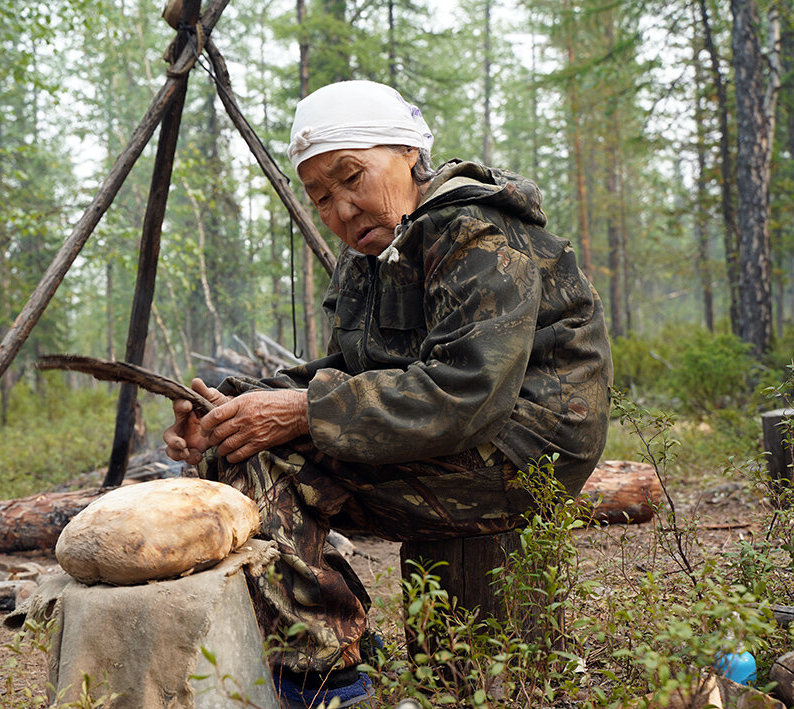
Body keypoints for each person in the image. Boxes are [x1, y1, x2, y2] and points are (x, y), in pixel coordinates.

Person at [163, 80, 612, 708]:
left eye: (352, 178)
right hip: (458, 437)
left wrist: (301, 413)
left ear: (407, 154)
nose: (342, 210)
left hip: (523, 448)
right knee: (236, 449)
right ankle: (338, 654)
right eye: (321, 196)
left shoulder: (473, 233)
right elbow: (353, 368)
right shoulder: (372, 256)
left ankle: (329, 679)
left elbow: (467, 393)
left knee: (270, 461)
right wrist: (231, 408)